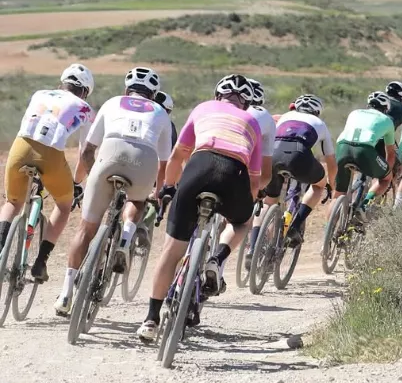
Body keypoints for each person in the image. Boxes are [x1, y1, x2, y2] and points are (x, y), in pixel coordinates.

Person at [136, 74, 261, 342]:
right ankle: (218, 257)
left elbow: (178, 155)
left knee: (171, 251)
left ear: (218, 95)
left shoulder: (202, 108)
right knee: (242, 222)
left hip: (199, 167)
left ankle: (151, 319)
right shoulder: (252, 121)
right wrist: (244, 208)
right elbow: (254, 178)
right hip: (234, 173)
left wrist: (168, 187)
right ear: (246, 103)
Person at [54, 67, 171, 315]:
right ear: (153, 94)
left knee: (86, 230)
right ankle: (126, 236)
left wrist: (89, 178)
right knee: (137, 201)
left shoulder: (112, 102)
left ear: (127, 89)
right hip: (144, 158)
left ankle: (65, 293)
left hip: (110, 152)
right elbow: (164, 165)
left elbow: (87, 151)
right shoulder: (160, 111)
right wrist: (158, 194)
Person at [0, 64, 95, 283]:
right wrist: (77, 183)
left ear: (62, 82)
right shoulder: (85, 108)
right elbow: (84, 153)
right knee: (63, 205)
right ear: (85, 91)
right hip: (51, 156)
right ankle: (40, 262)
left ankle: (1, 247)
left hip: (20, 147)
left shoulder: (40, 93)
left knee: (13, 202)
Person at [258, 94, 337, 250]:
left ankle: (255, 246)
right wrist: (331, 183)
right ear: (317, 111)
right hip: (298, 156)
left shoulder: (285, 116)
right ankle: (296, 226)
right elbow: (331, 161)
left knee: (269, 201)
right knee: (318, 186)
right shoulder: (320, 123)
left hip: (273, 154)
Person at [217, 79, 275, 279]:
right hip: (245, 167)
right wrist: (257, 191)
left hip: (211, 159)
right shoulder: (264, 116)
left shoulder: (221, 108)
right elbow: (264, 168)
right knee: (243, 215)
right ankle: (246, 250)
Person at [333, 92, 397, 214]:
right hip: (364, 150)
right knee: (385, 179)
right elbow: (391, 153)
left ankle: (328, 230)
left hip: (342, 147)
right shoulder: (387, 120)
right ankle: (364, 205)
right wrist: (388, 171)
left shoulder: (354, 113)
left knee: (337, 194)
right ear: (385, 108)